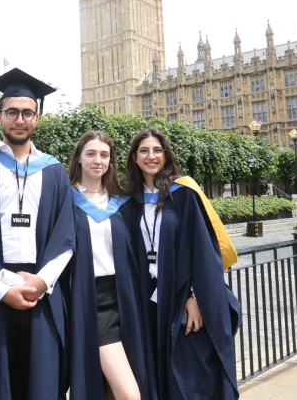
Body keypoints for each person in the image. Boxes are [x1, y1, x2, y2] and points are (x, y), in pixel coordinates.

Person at [0, 68, 76, 400]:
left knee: (41, 383)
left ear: (37, 118)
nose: (19, 119)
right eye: (12, 112)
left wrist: (42, 281)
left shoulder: (53, 171)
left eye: (27, 113)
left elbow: (65, 237)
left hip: (41, 291)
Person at [125, 128, 241, 400]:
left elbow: (202, 250)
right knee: (156, 371)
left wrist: (194, 296)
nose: (151, 156)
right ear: (134, 157)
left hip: (180, 298)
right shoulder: (130, 201)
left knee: (189, 375)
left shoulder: (183, 192)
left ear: (165, 155)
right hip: (148, 302)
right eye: (144, 151)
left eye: (157, 150)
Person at [66, 131, 155, 400]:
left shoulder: (124, 202)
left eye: (104, 155)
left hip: (126, 299)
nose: (98, 160)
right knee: (130, 394)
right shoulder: (63, 199)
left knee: (112, 391)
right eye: (91, 154)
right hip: (90, 300)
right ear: (79, 158)